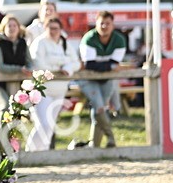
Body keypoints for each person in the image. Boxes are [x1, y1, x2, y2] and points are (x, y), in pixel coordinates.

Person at [26, 17, 81, 151]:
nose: (53, 31)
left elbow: (76, 63)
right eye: (50, 28)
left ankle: (43, 153)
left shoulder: (64, 43)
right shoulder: (39, 43)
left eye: (56, 28)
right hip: (42, 90)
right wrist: (59, 65)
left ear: (61, 29)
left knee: (50, 125)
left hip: (60, 90)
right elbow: (39, 64)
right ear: (45, 28)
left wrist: (68, 68)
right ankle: (30, 151)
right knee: (43, 124)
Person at [74, 11, 127, 149]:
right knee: (99, 107)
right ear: (96, 24)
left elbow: (112, 63)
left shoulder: (119, 39)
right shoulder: (89, 38)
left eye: (107, 23)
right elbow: (90, 65)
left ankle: (94, 145)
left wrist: (107, 66)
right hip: (88, 79)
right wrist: (109, 66)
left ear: (112, 24)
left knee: (101, 108)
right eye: (101, 23)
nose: (104, 26)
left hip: (106, 80)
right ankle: (111, 138)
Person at [0, 15, 32, 115]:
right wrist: (19, 69)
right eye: (9, 26)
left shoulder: (23, 44)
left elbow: (29, 62)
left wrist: (29, 70)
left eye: (14, 26)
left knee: (17, 111)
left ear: (18, 28)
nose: (12, 28)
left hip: (18, 83)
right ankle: (1, 130)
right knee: (5, 107)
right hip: (0, 84)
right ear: (4, 28)